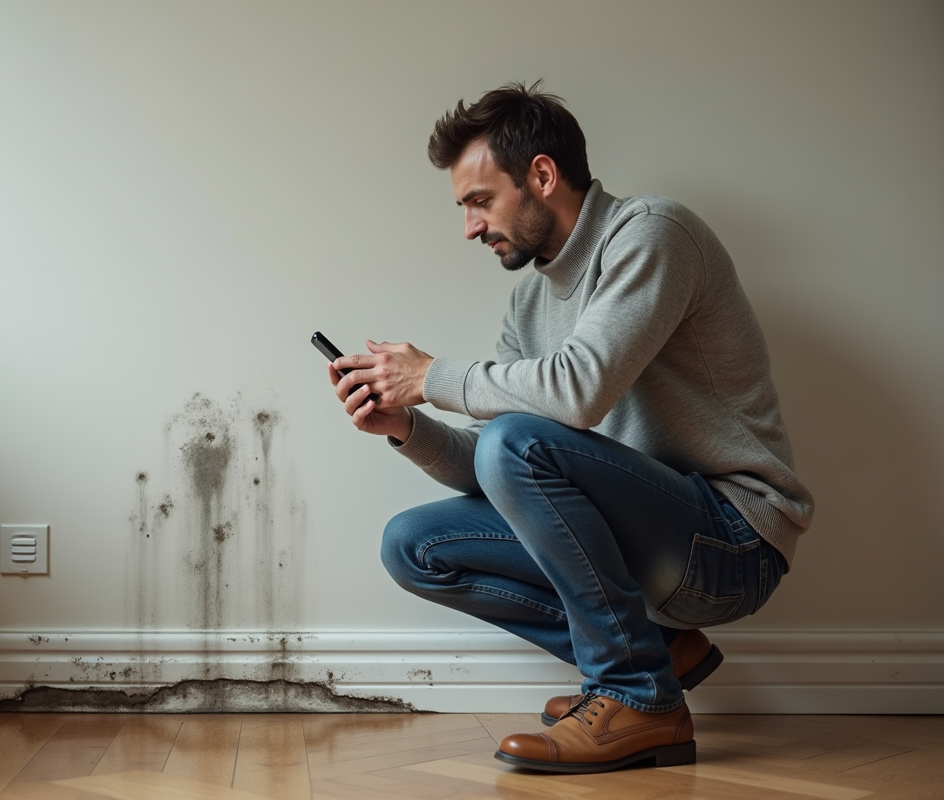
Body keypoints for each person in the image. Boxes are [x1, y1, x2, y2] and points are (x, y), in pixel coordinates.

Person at [325, 81, 814, 774]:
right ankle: (655, 654)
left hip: (731, 539)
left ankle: (635, 693)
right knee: (413, 544)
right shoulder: (529, 302)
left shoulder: (651, 234)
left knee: (513, 440)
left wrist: (434, 375)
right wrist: (408, 426)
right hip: (649, 541)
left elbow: (577, 395)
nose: (470, 227)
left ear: (542, 176)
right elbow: (499, 471)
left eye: (478, 200)